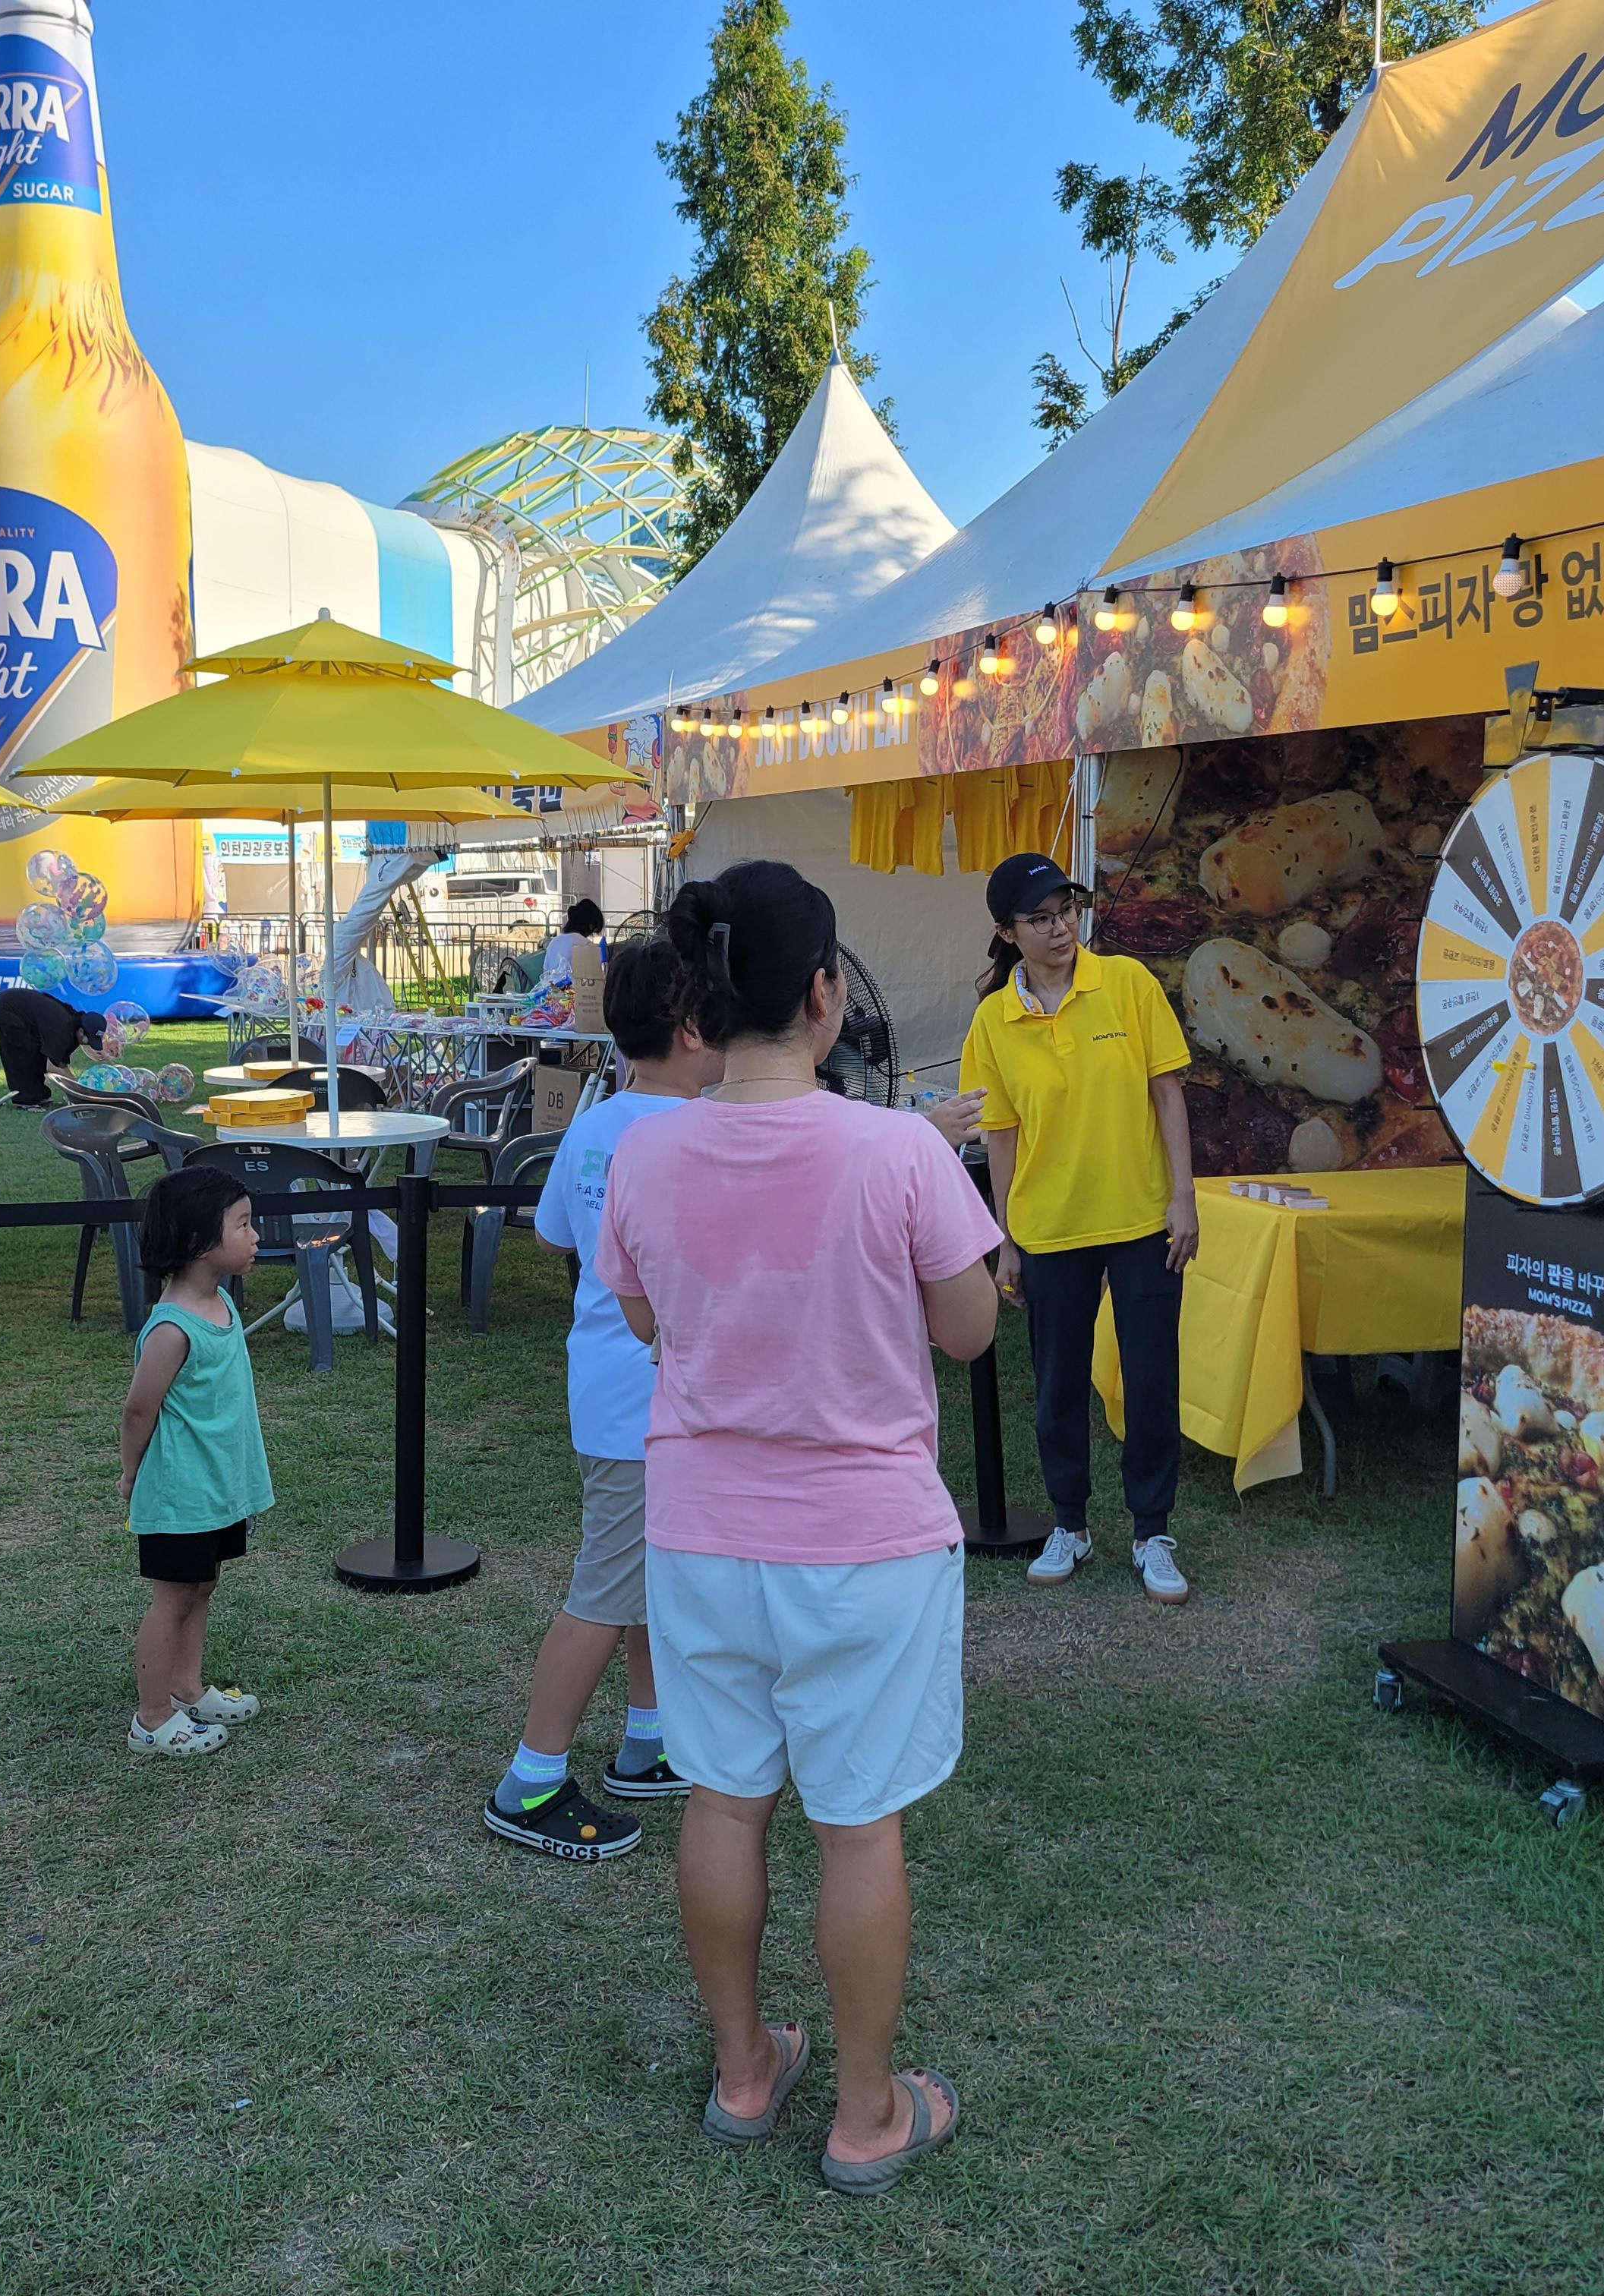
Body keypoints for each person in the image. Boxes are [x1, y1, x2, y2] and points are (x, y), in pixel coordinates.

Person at [592, 860, 1001, 2196]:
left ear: (700, 1003)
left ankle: (743, 2069)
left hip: (701, 1532)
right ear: (827, 995)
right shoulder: (901, 1150)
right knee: (856, 1823)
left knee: (724, 1798)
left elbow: (648, 1319)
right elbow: (969, 1328)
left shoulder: (644, 1145)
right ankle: (867, 2111)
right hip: (867, 1544)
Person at [485, 938, 726, 1860]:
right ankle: (531, 1779)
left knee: (646, 1579)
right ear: (695, 1029)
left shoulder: (595, 1124)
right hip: (650, 1397)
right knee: (606, 1588)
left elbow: (553, 1236)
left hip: (610, 1386)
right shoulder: (700, 1135)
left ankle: (648, 1741)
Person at [959, 852, 1199, 1603]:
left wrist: (1183, 1198)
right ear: (1007, 933)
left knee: (1151, 1378)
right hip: (1050, 1226)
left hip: (1141, 1218)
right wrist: (1006, 1241)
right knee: (1057, 1384)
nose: (1061, 927)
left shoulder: (1127, 983)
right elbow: (1001, 1136)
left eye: (1066, 910)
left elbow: (1168, 1094)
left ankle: (1152, 1530)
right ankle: (1070, 1522)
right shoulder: (993, 1020)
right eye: (1040, 918)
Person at [118, 1165, 272, 1756]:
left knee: (202, 1585)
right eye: (243, 1225)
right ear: (198, 1242)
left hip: (214, 1488)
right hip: (179, 1493)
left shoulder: (222, 1304)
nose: (255, 1236)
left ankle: (186, 1688)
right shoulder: (171, 1330)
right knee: (174, 1596)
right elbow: (139, 1410)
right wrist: (131, 1473)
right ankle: (152, 1717)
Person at [0, 985, 106, 1105]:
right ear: (81, 1031)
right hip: (7, 1007)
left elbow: (59, 1061)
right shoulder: (63, 1029)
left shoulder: (73, 1024)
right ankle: (27, 1100)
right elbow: (53, 1067)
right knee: (25, 1053)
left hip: (17, 1007)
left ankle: (38, 1095)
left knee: (38, 1052)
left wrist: (75, 1084)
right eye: (88, 1039)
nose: (87, 1043)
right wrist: (79, 1089)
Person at [541, 897, 606, 982]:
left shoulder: (554, 942)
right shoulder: (586, 945)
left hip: (551, 989)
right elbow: (596, 978)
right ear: (590, 926)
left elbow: (546, 974)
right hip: (575, 990)